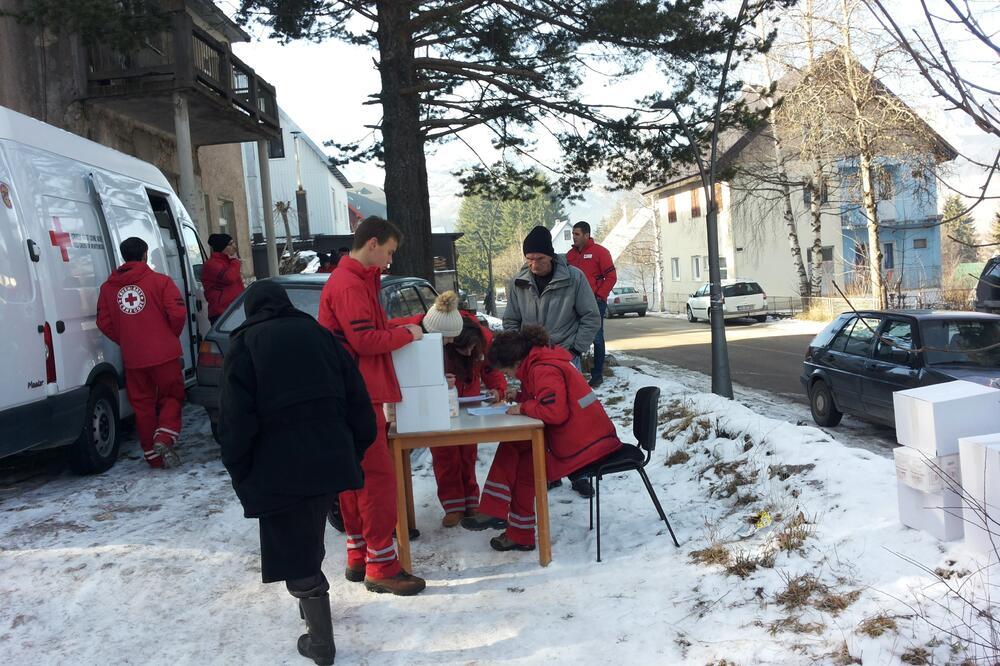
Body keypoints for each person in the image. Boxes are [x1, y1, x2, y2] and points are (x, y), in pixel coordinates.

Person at [219, 281, 376, 666]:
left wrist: (240, 470)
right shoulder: (321, 337)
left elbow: (236, 422)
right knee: (306, 539)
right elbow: (359, 403)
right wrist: (349, 452)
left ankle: (321, 645)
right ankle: (311, 618)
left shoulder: (245, 345)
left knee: (295, 554)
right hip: (326, 460)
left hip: (277, 468)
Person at [318, 215, 427, 596]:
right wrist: (405, 335)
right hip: (362, 393)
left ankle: (359, 554)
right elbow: (365, 341)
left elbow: (370, 328)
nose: (390, 262)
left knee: (353, 478)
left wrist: (412, 323)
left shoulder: (355, 281)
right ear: (374, 244)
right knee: (377, 480)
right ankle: (381, 566)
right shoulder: (350, 284)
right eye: (390, 253)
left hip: (351, 393)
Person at [460, 326, 623, 551]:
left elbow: (555, 412)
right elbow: (548, 398)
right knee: (518, 453)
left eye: (507, 372)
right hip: (588, 436)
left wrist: (523, 406)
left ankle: (498, 513)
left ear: (516, 362)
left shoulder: (542, 369)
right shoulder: (541, 361)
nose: (509, 377)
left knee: (522, 460)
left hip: (587, 444)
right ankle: (512, 527)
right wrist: (521, 396)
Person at [392, 291, 507, 527]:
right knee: (444, 454)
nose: (468, 354)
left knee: (468, 452)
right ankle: (453, 505)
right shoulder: (430, 335)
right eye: (461, 350)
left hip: (471, 403)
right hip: (437, 402)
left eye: (471, 350)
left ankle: (471, 501)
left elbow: (491, 369)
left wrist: (498, 390)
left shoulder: (479, 336)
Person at [503, 225, 601, 498]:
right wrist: (517, 352)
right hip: (532, 363)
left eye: (539, 259)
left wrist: (574, 350)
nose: (534, 264)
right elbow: (511, 320)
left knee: (570, 419)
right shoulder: (518, 283)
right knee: (541, 415)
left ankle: (579, 473)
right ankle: (549, 472)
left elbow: (591, 317)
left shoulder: (574, 278)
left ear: (551, 256)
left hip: (564, 358)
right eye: (529, 259)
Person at [96, 237, 186, 469]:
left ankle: (153, 457)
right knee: (171, 396)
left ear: (123, 255)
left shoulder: (107, 288)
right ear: (145, 254)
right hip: (164, 354)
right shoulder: (161, 282)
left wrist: (127, 339)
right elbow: (177, 314)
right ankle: (164, 438)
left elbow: (104, 322)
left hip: (134, 358)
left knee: (143, 406)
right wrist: (169, 336)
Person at [566, 220, 617, 388]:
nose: (573, 237)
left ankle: (597, 375)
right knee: (573, 337)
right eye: (573, 234)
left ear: (587, 235)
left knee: (597, 338)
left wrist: (599, 296)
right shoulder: (570, 256)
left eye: (577, 234)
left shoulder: (600, 252)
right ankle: (575, 374)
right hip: (573, 303)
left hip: (594, 302)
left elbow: (611, 277)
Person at [202, 233, 245, 324]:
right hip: (222, 313)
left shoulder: (229, 263)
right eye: (231, 244)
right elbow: (229, 277)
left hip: (235, 310)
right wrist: (235, 261)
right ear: (223, 247)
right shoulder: (211, 264)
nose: (235, 246)